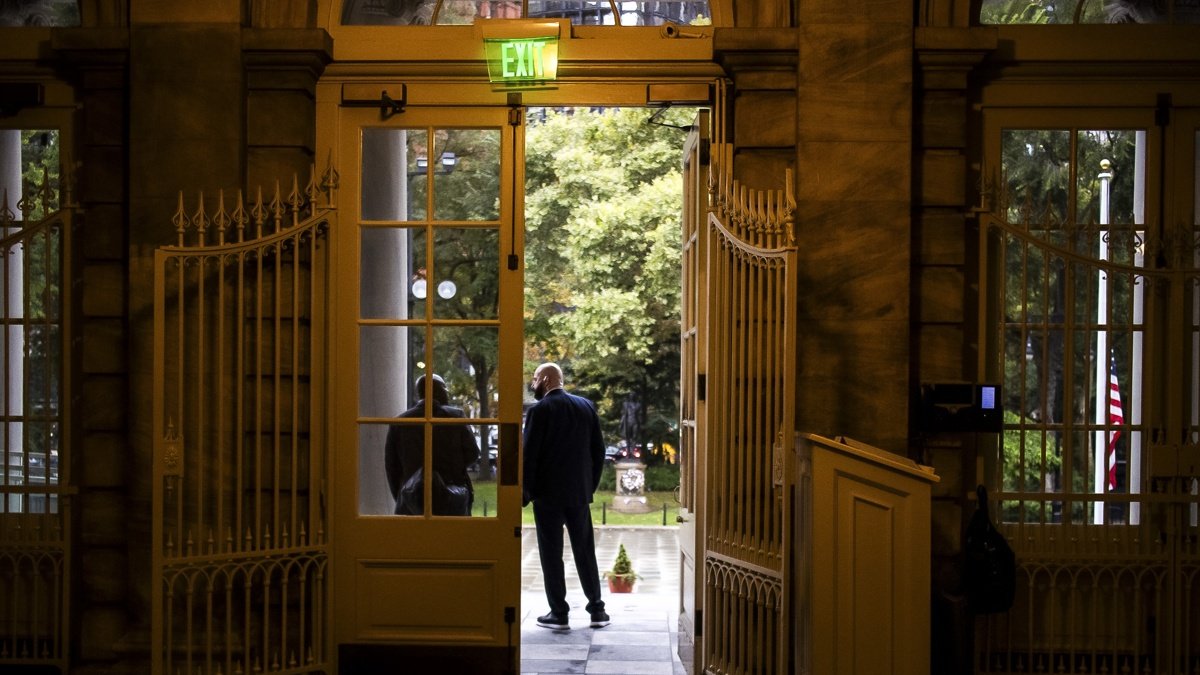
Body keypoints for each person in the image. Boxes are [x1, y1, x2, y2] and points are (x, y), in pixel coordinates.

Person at [522, 362, 610, 630]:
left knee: (551, 554)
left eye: (535, 378)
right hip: (578, 493)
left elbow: (529, 456)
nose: (533, 383)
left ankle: (559, 613)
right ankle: (597, 609)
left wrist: (525, 492)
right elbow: (599, 451)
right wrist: (588, 487)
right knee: (585, 551)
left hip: (548, 495)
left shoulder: (540, 410)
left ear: (547, 380)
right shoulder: (585, 406)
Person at [385, 374, 479, 515]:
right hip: (452, 499)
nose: (446, 392)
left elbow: (392, 467)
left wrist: (402, 495)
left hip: (411, 501)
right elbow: (472, 453)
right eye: (444, 388)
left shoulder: (400, 422)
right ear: (437, 391)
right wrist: (454, 467)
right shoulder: (455, 416)